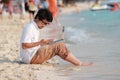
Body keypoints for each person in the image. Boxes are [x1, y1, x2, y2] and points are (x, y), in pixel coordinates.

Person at [20, 9, 93, 66]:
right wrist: (40, 42)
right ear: (38, 18)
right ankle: (79, 63)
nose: (44, 26)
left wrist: (43, 43)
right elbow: (24, 45)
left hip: (32, 55)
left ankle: (77, 62)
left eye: (47, 24)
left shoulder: (35, 27)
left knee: (57, 44)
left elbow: (31, 44)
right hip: (31, 58)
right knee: (59, 46)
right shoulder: (30, 28)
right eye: (44, 23)